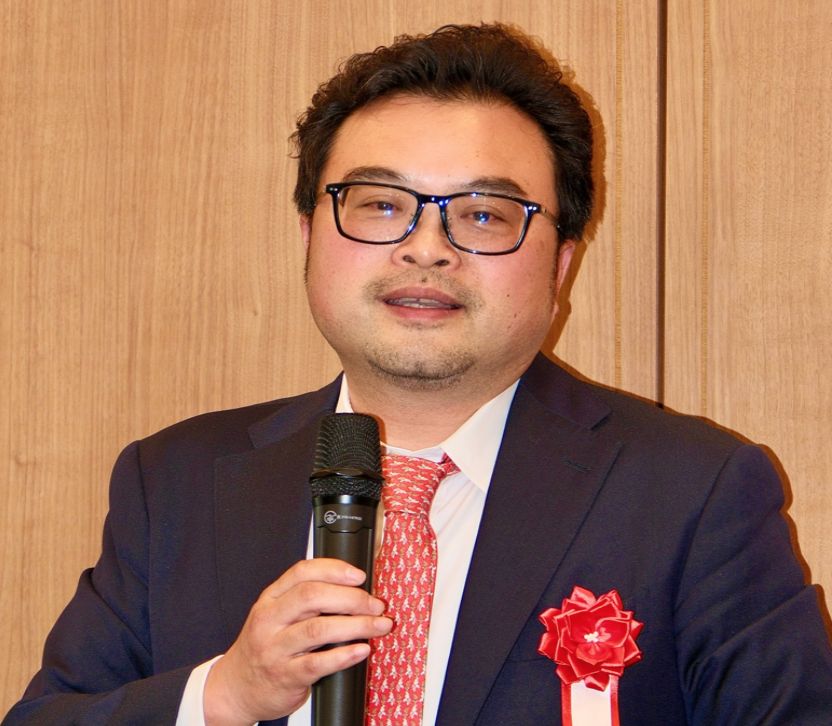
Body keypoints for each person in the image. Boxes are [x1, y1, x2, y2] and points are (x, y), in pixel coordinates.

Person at [4, 22, 832, 726]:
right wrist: (221, 695)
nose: (426, 249)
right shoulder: (175, 482)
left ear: (561, 262)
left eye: (483, 214)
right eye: (380, 204)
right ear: (309, 235)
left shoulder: (695, 494)